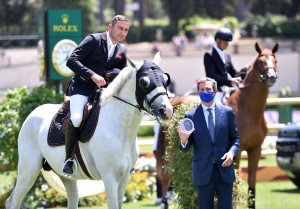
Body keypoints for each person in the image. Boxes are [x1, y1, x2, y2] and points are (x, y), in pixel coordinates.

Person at [62, 15, 130, 175]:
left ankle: (126, 158)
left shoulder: (121, 50)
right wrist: (92, 75)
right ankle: (68, 159)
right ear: (110, 27)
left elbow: (124, 73)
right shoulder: (93, 40)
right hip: (81, 88)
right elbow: (71, 61)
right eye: (120, 28)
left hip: (104, 93)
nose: (123, 32)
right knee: (77, 118)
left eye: (126, 30)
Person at [177, 77, 240, 209]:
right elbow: (185, 148)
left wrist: (231, 152)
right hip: (203, 173)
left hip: (225, 171)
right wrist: (184, 141)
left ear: (215, 91)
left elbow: (235, 138)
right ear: (198, 92)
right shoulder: (190, 116)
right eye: (201, 90)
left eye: (208, 89)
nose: (205, 92)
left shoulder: (228, 112)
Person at [204, 27, 250, 104]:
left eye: (228, 42)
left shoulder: (227, 55)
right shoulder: (209, 55)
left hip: (226, 90)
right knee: (218, 106)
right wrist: (229, 81)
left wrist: (245, 70)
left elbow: (234, 74)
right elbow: (211, 75)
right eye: (225, 42)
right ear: (218, 40)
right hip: (215, 91)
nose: (227, 44)